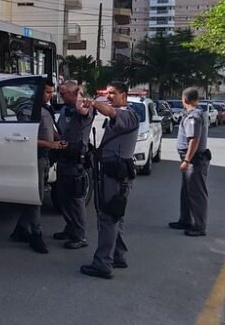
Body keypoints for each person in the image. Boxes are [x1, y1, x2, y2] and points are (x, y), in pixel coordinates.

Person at [79, 82, 139, 279]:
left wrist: (94, 103)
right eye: (107, 93)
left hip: (116, 175)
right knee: (115, 217)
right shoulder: (121, 113)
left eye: (113, 93)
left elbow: (109, 113)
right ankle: (118, 256)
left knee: (108, 218)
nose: (109, 97)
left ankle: (103, 264)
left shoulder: (127, 115)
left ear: (124, 95)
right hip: (113, 173)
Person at [10, 81, 66, 254]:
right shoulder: (29, 108)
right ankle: (36, 234)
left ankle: (20, 229)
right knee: (37, 197)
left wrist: (58, 139)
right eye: (47, 92)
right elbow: (24, 137)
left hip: (44, 157)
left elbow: (49, 129)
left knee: (35, 196)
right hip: (32, 157)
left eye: (51, 92)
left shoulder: (45, 108)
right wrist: (50, 144)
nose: (49, 95)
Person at [53, 80, 95, 250]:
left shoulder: (84, 109)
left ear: (74, 93)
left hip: (76, 159)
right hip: (64, 156)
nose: (61, 97)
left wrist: (79, 95)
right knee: (63, 197)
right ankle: (70, 227)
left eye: (63, 94)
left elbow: (83, 111)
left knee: (76, 200)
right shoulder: (65, 110)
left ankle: (80, 236)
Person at [169, 87, 211, 237]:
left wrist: (187, 160)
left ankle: (199, 226)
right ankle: (185, 220)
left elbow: (194, 139)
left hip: (194, 160)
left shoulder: (194, 116)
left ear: (184, 99)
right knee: (186, 192)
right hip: (192, 159)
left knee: (196, 194)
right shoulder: (195, 113)